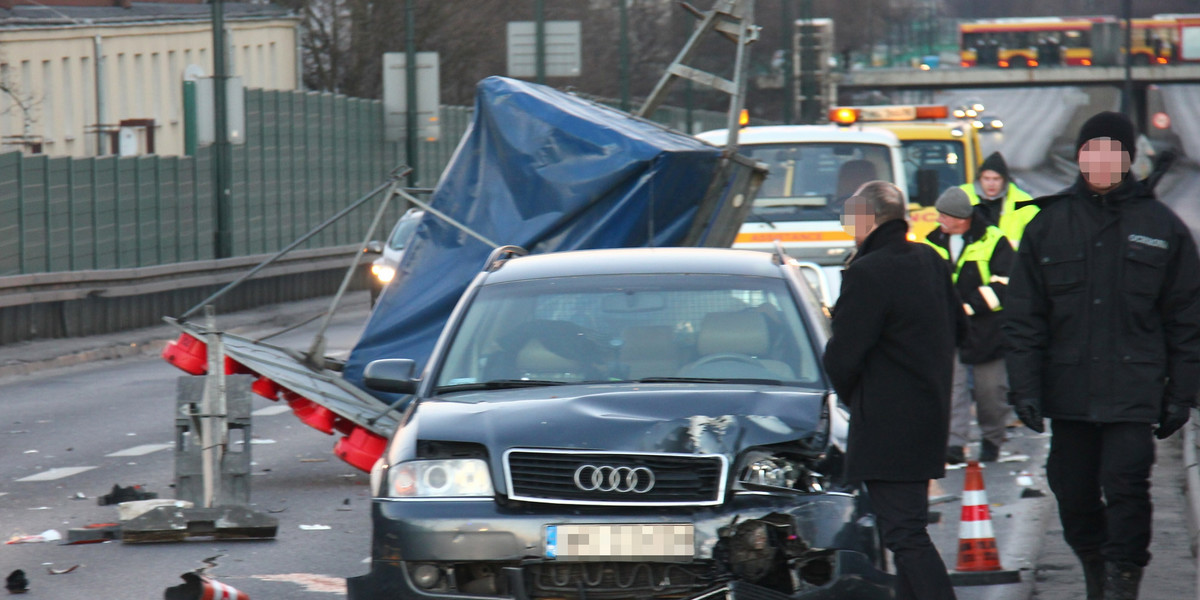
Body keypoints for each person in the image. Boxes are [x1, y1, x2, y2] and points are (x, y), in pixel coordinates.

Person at [1003, 111, 1200, 600]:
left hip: (1134, 394)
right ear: (1080, 158)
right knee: (1071, 492)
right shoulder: (1048, 225)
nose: (1101, 162)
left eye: (1112, 153)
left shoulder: (1161, 227)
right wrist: (1024, 388)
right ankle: (1094, 563)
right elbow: (1025, 318)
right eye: (1092, 152)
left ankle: (1121, 579)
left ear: (1128, 159)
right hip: (1068, 395)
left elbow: (1186, 319)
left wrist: (1183, 394)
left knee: (1128, 489)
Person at [824, 180, 964, 600]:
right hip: (928, 415)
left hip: (887, 422)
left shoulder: (869, 271)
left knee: (903, 535)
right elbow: (962, 328)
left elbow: (841, 356)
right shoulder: (930, 259)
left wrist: (859, 398)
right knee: (907, 529)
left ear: (866, 218)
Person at [925, 187, 1015, 464]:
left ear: (960, 217)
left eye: (943, 214)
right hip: (947, 330)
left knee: (991, 392)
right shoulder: (931, 242)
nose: (938, 219)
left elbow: (1005, 283)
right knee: (952, 388)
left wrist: (967, 307)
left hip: (986, 331)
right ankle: (954, 444)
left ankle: (992, 439)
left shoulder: (993, 240)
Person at [958, 151, 1036, 248]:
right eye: (986, 178)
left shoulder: (1022, 200)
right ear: (979, 179)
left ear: (1004, 180)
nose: (991, 184)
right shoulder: (962, 196)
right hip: (970, 260)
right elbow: (944, 224)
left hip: (1009, 260)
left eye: (996, 179)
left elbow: (1040, 230)